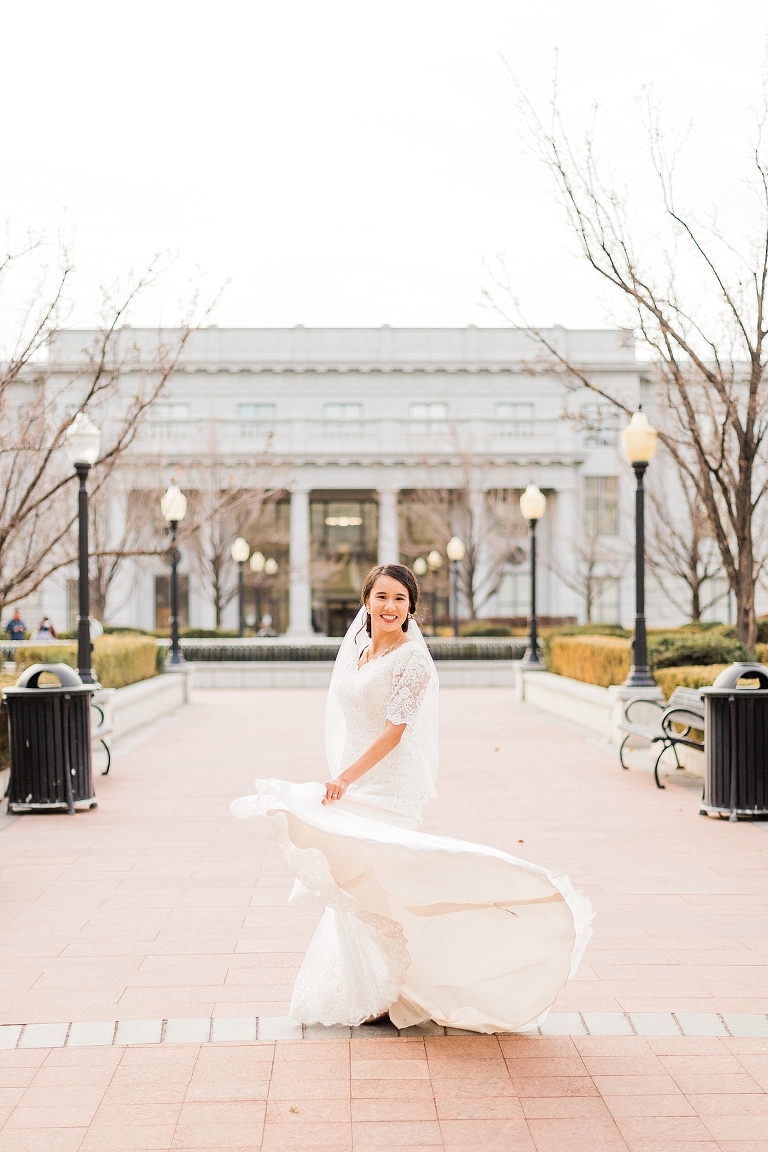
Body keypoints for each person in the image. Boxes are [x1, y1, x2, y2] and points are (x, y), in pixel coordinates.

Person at [232, 564, 592, 1033]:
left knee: (386, 881)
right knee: (350, 880)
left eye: (400, 599)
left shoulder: (413, 660)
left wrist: (343, 778)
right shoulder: (358, 653)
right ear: (366, 601)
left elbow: (394, 733)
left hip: (388, 785)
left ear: (411, 608)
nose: (390, 607)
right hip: (353, 780)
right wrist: (344, 776)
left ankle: (402, 987)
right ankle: (371, 988)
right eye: (381, 597)